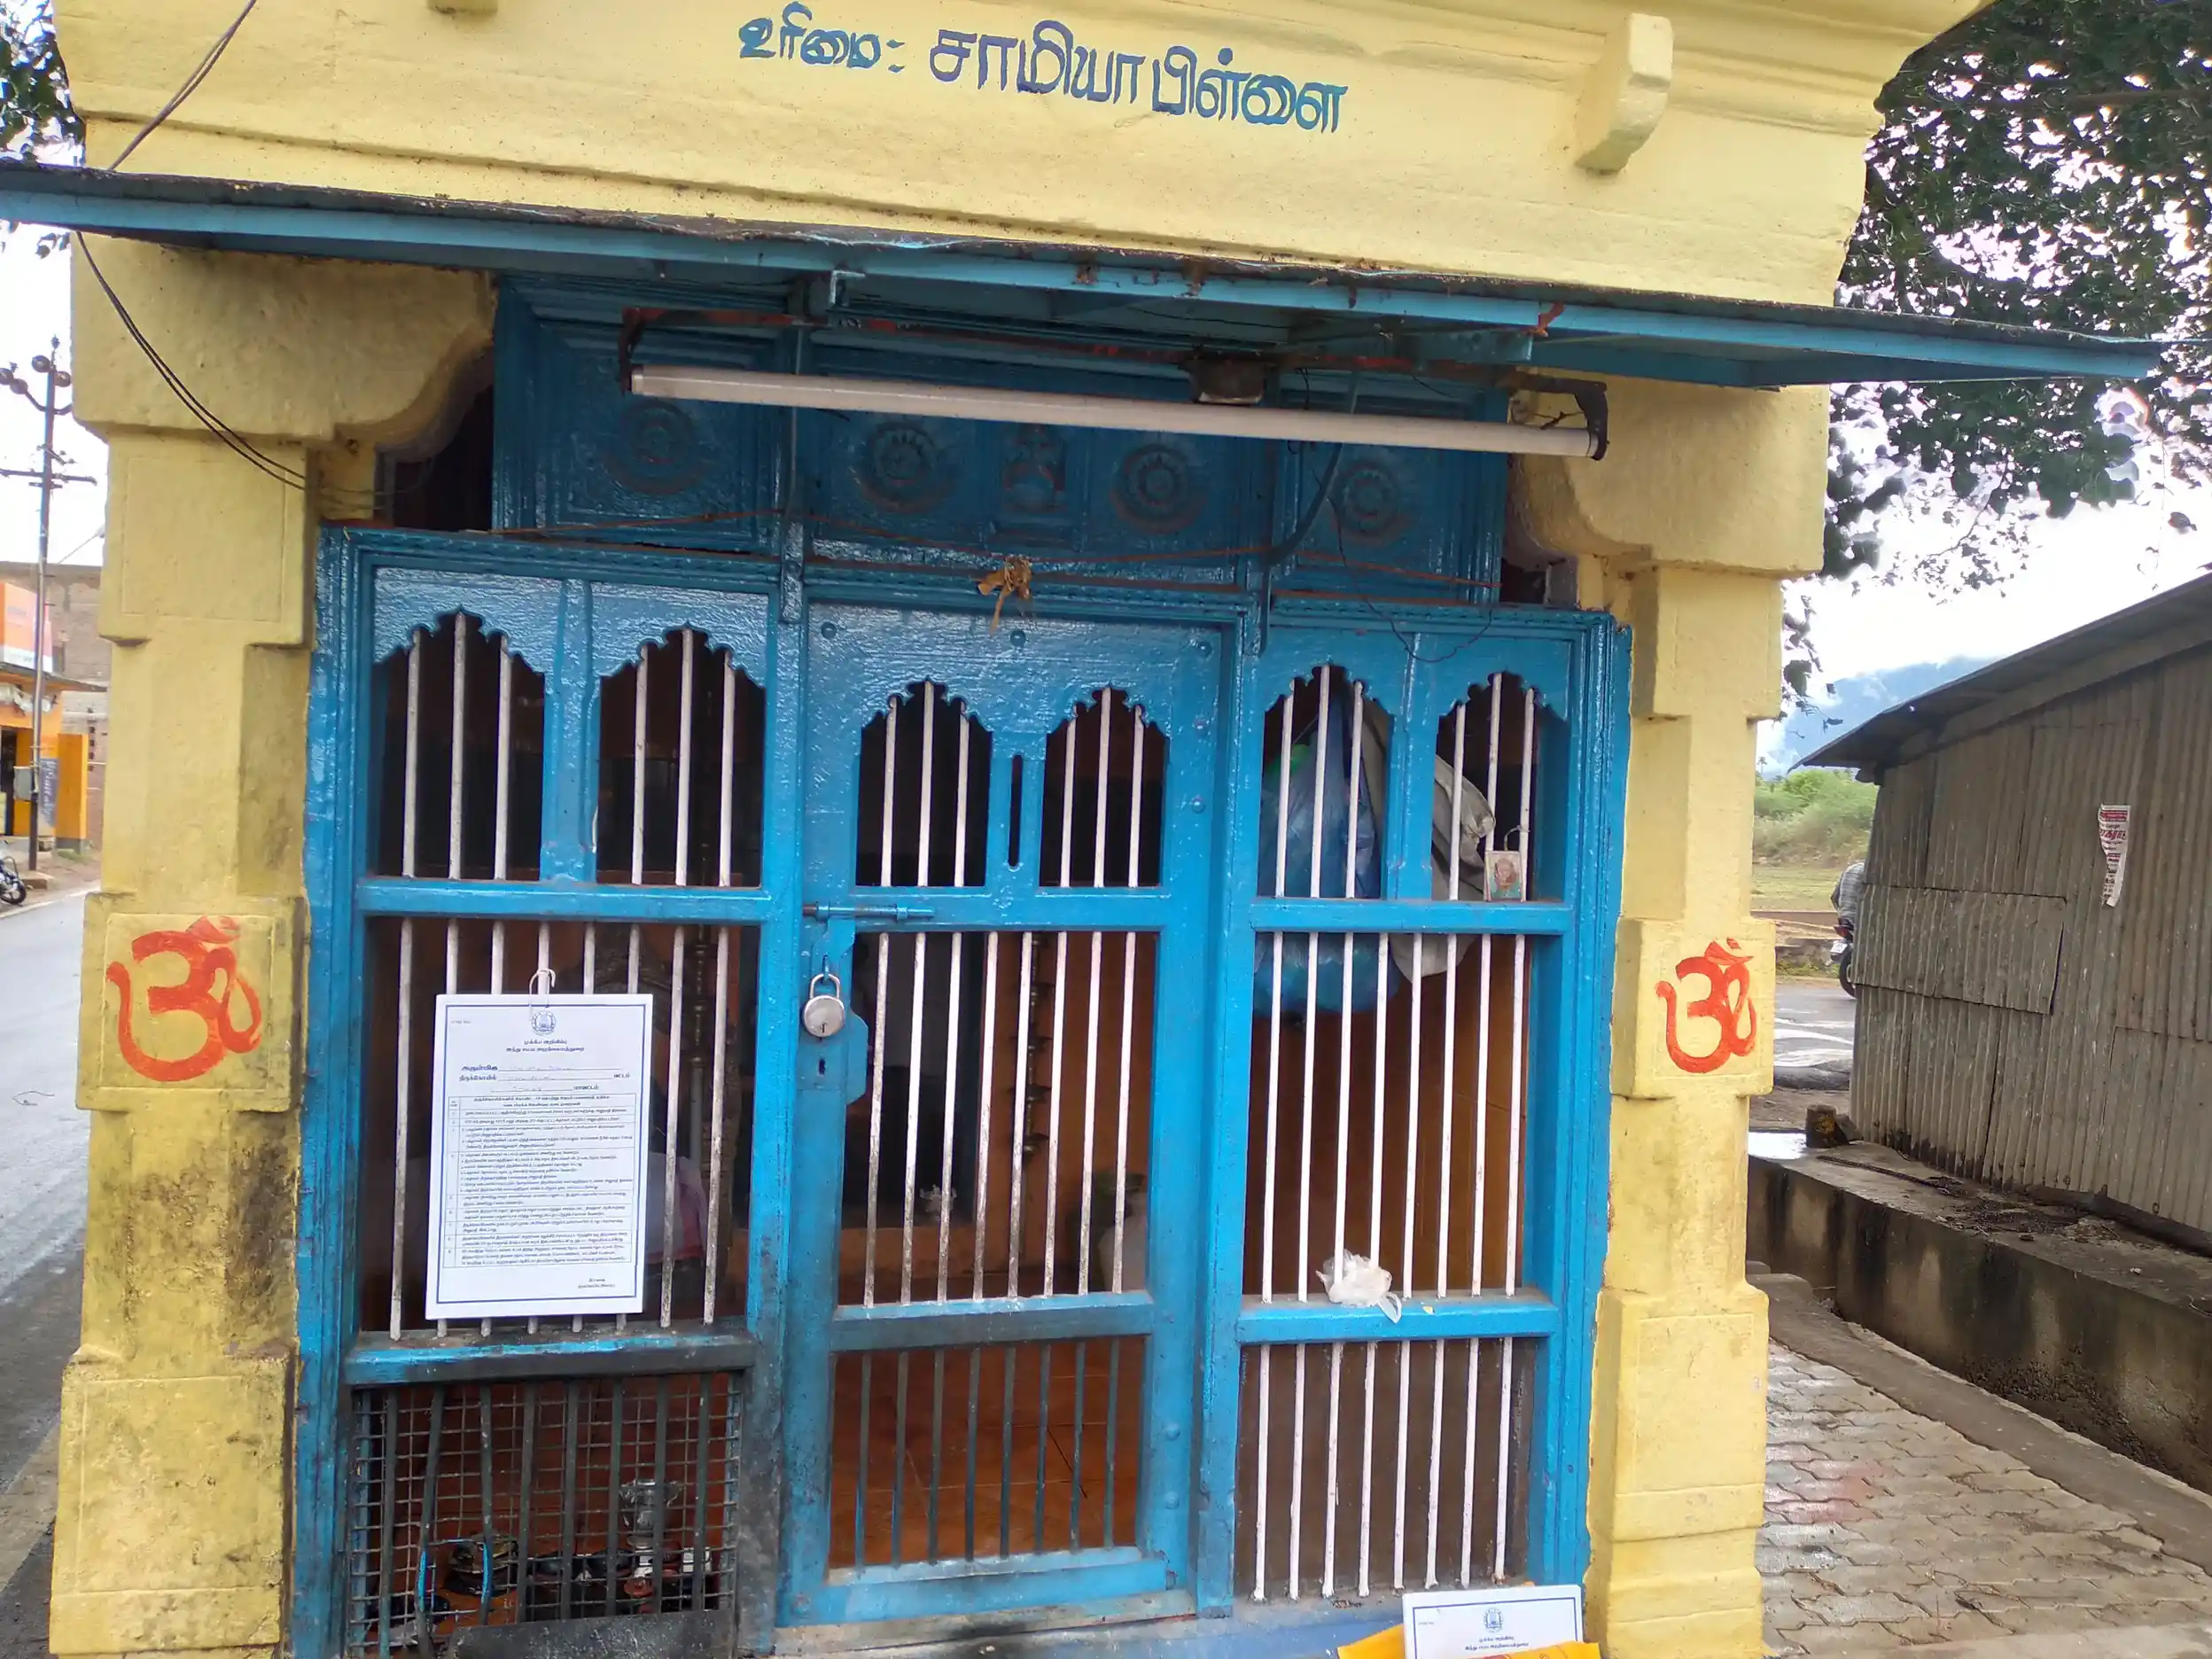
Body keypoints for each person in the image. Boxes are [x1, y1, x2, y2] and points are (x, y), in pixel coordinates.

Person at [1831, 857, 1866, 923]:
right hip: (1861, 923)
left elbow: (1834, 897)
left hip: (1844, 920)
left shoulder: (1851, 868)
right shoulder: (1871, 872)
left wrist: (1843, 913)